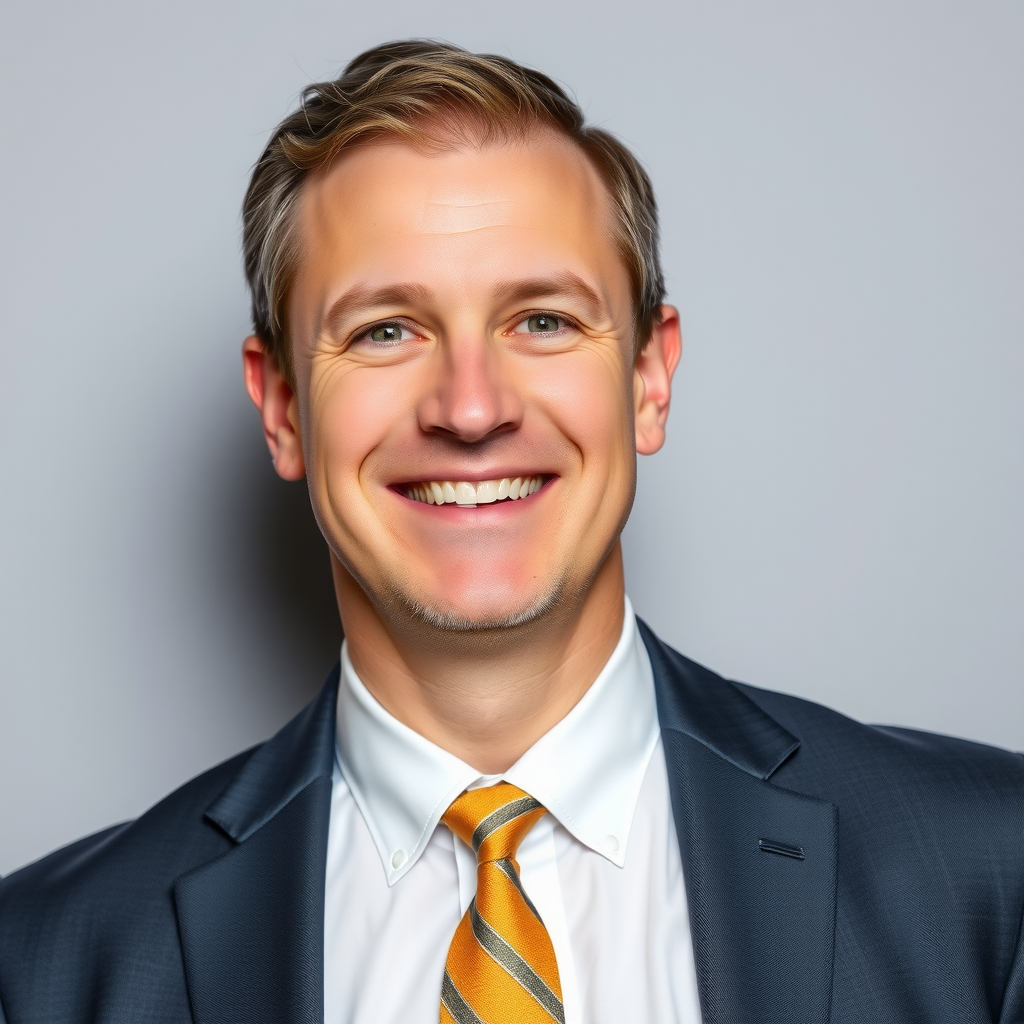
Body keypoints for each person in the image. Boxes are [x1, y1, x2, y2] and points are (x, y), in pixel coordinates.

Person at [1, 39, 1022, 1024]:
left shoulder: (993, 870)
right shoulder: (43, 961)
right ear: (279, 410)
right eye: (384, 330)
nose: (472, 407)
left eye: (541, 320)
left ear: (648, 380)